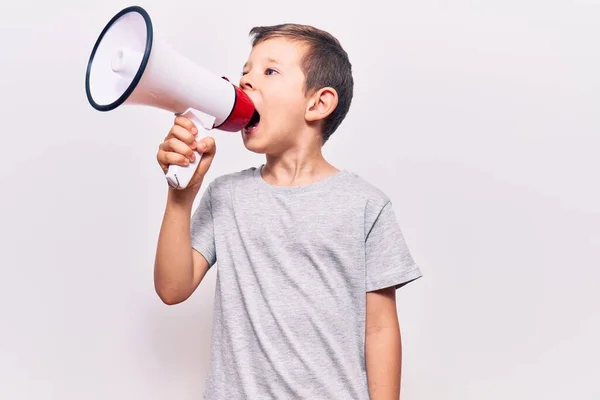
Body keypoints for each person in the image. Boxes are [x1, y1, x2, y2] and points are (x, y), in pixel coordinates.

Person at [153, 23, 423, 400]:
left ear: (318, 103)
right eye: (245, 71)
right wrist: (182, 196)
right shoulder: (226, 195)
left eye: (269, 71)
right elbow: (172, 288)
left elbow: (379, 329)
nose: (245, 82)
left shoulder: (365, 205)